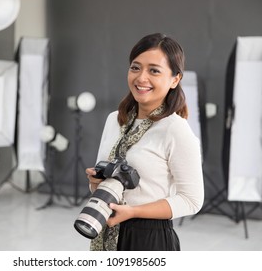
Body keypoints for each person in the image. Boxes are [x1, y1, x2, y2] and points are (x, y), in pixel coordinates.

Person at [85, 33, 204, 251]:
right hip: (107, 230)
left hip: (150, 239)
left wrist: (133, 212)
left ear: (175, 79)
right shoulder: (115, 120)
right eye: (135, 67)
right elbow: (108, 184)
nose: (141, 78)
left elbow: (191, 200)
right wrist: (95, 183)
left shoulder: (175, 129)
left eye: (154, 70)